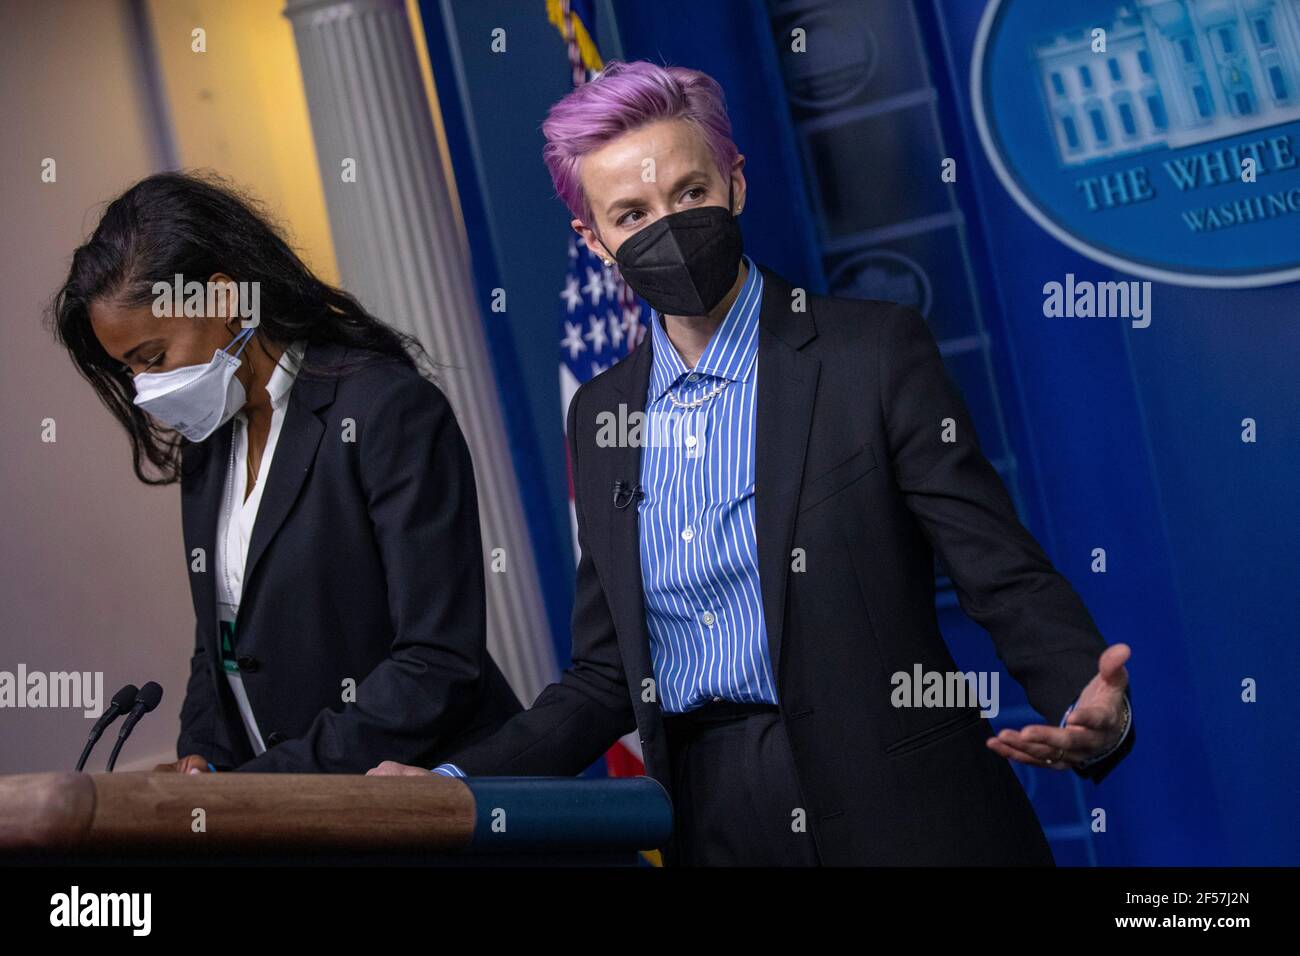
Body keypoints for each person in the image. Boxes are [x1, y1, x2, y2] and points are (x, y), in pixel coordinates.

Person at [370, 60, 1134, 865]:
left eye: (689, 194)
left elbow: (998, 570)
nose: (666, 226)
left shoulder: (870, 352)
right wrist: (456, 779)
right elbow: (605, 676)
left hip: (907, 816)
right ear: (593, 241)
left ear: (734, 184)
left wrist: (1084, 697)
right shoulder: (600, 415)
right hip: (718, 822)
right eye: (631, 213)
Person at [50, 171, 521, 773]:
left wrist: (268, 787)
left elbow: (434, 663)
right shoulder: (209, 442)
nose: (146, 388)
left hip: (423, 805)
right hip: (285, 815)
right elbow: (220, 636)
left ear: (222, 301)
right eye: (130, 370)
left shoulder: (383, 409)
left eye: (153, 357)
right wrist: (204, 753)